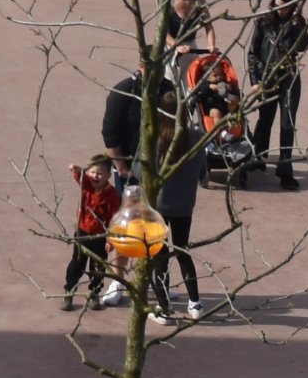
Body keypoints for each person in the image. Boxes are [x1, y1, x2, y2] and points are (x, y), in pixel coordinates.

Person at [103, 63, 206, 324]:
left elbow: (139, 166)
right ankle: (195, 304)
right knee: (181, 250)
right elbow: (203, 170)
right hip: (183, 204)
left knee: (156, 253)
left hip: (156, 202)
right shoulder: (195, 137)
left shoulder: (153, 142)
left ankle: (163, 307)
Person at [243, 0, 308, 189]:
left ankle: (285, 171)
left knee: (287, 123)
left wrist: (298, 26)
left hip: (289, 78)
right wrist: (255, 79)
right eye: (277, 6)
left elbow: (303, 46)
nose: (281, 10)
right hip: (267, 76)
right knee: (265, 118)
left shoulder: (298, 22)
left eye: (285, 7)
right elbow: (253, 53)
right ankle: (259, 156)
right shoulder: (264, 21)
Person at [62, 147, 122, 312]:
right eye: (93, 172)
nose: (95, 176)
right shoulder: (87, 184)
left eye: (100, 173)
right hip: (82, 233)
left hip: (100, 236)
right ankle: (69, 291)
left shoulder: (112, 195)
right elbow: (81, 177)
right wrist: (77, 169)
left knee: (98, 267)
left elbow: (114, 220)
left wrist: (110, 240)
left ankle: (94, 293)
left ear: (109, 176)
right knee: (76, 265)